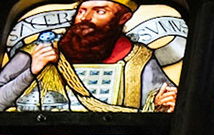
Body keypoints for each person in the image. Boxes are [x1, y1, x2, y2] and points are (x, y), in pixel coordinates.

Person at [0, 0, 176, 112]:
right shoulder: (37, 51)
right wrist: (31, 72)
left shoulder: (139, 59)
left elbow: (167, 106)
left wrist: (160, 105)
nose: (85, 18)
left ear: (123, 18)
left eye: (100, 11)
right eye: (81, 11)